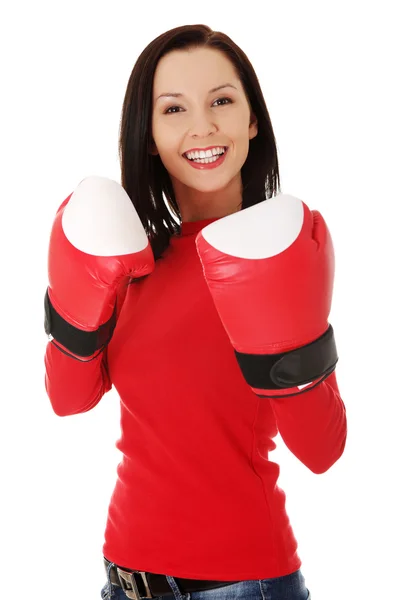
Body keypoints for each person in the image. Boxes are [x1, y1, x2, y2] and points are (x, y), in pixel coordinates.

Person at [43, 23, 347, 600]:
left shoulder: (279, 250)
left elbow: (322, 450)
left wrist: (296, 342)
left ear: (252, 120)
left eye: (222, 101)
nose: (202, 126)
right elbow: (68, 399)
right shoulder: (127, 257)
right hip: (123, 578)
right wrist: (72, 309)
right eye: (174, 109)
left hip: (244, 583)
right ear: (150, 133)